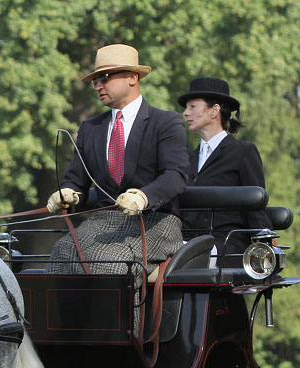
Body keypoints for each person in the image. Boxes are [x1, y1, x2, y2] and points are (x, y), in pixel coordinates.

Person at [46, 44, 189, 278]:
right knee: (61, 253)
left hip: (156, 221)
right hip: (103, 223)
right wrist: (66, 193)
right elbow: (76, 180)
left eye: (105, 78)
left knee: (109, 263)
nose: (98, 86)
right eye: (95, 81)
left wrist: (144, 196)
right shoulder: (90, 128)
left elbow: (176, 175)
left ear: (133, 77)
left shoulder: (165, 122)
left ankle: (119, 317)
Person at [178, 77, 270, 257]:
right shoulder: (185, 159)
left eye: (193, 106)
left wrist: (264, 248)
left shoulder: (243, 153)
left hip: (226, 248)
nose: (185, 113)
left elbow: (256, 208)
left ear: (214, 110)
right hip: (184, 246)